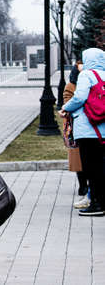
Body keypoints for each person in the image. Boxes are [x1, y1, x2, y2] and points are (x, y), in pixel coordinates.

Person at [60, 48, 105, 217]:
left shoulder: (86, 75)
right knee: (101, 168)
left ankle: (96, 204)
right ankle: (102, 201)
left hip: (88, 129)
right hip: (102, 129)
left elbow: (79, 97)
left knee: (91, 168)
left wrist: (65, 108)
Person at [62, 61, 90, 209]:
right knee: (77, 156)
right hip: (75, 125)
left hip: (90, 124)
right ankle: (82, 185)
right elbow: (67, 101)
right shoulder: (70, 86)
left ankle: (89, 186)